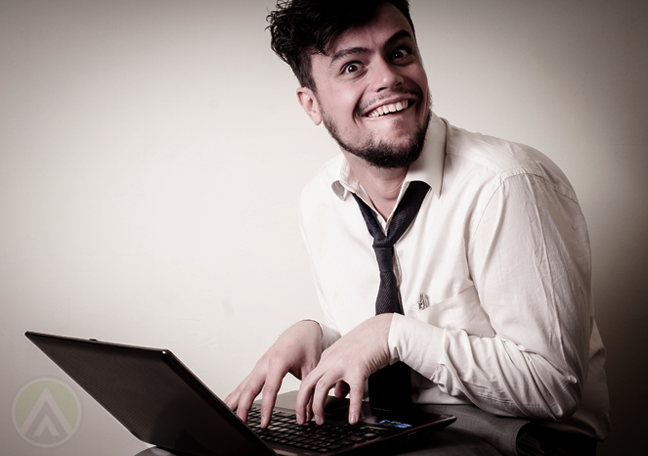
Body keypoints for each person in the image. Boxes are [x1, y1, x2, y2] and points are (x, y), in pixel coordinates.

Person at [225, 1, 610, 454]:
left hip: (522, 438)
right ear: (312, 104)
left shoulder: (507, 183)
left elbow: (554, 389)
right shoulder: (321, 198)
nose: (387, 78)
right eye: (352, 66)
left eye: (400, 52)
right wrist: (321, 336)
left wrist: (394, 334)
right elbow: (381, 351)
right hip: (394, 429)